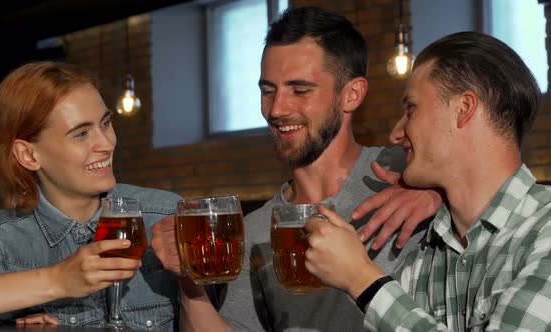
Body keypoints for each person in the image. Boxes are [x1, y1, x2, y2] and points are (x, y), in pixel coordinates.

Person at [152, 6, 442, 331]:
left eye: (300, 90)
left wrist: (438, 192)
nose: (276, 109)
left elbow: (497, 175)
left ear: (352, 94)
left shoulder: (409, 173)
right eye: (267, 90)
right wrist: (190, 284)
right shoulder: (254, 229)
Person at [304, 31, 551, 331]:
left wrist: (364, 281)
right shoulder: (425, 257)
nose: (396, 133)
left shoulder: (544, 231)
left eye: (411, 109)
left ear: (463, 109)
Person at [0, 61, 181, 329]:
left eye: (106, 123)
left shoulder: (166, 215)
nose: (106, 143)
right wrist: (56, 282)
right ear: (29, 155)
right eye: (81, 134)